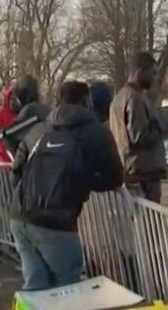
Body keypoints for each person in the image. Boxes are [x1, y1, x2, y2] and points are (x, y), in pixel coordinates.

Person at [10, 81, 123, 291]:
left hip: (20, 215)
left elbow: (16, 169)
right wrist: (81, 182)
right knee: (68, 285)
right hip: (57, 221)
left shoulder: (39, 128)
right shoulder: (97, 132)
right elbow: (115, 177)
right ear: (86, 101)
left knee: (35, 285)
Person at [109, 52, 168, 202]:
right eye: (152, 73)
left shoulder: (120, 97)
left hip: (131, 169)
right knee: (149, 216)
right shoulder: (134, 98)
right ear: (140, 72)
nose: (155, 78)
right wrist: (164, 128)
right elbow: (139, 136)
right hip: (142, 173)